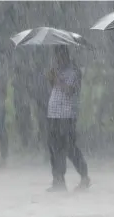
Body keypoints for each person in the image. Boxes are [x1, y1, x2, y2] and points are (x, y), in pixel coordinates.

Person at [46, 46, 90, 192]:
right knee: (54, 149)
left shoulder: (74, 71)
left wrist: (57, 79)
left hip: (67, 115)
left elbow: (70, 91)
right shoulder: (57, 70)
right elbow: (55, 87)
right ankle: (58, 181)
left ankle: (84, 176)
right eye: (55, 56)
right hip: (53, 114)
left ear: (66, 55)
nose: (57, 59)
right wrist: (52, 78)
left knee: (70, 148)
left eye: (59, 56)